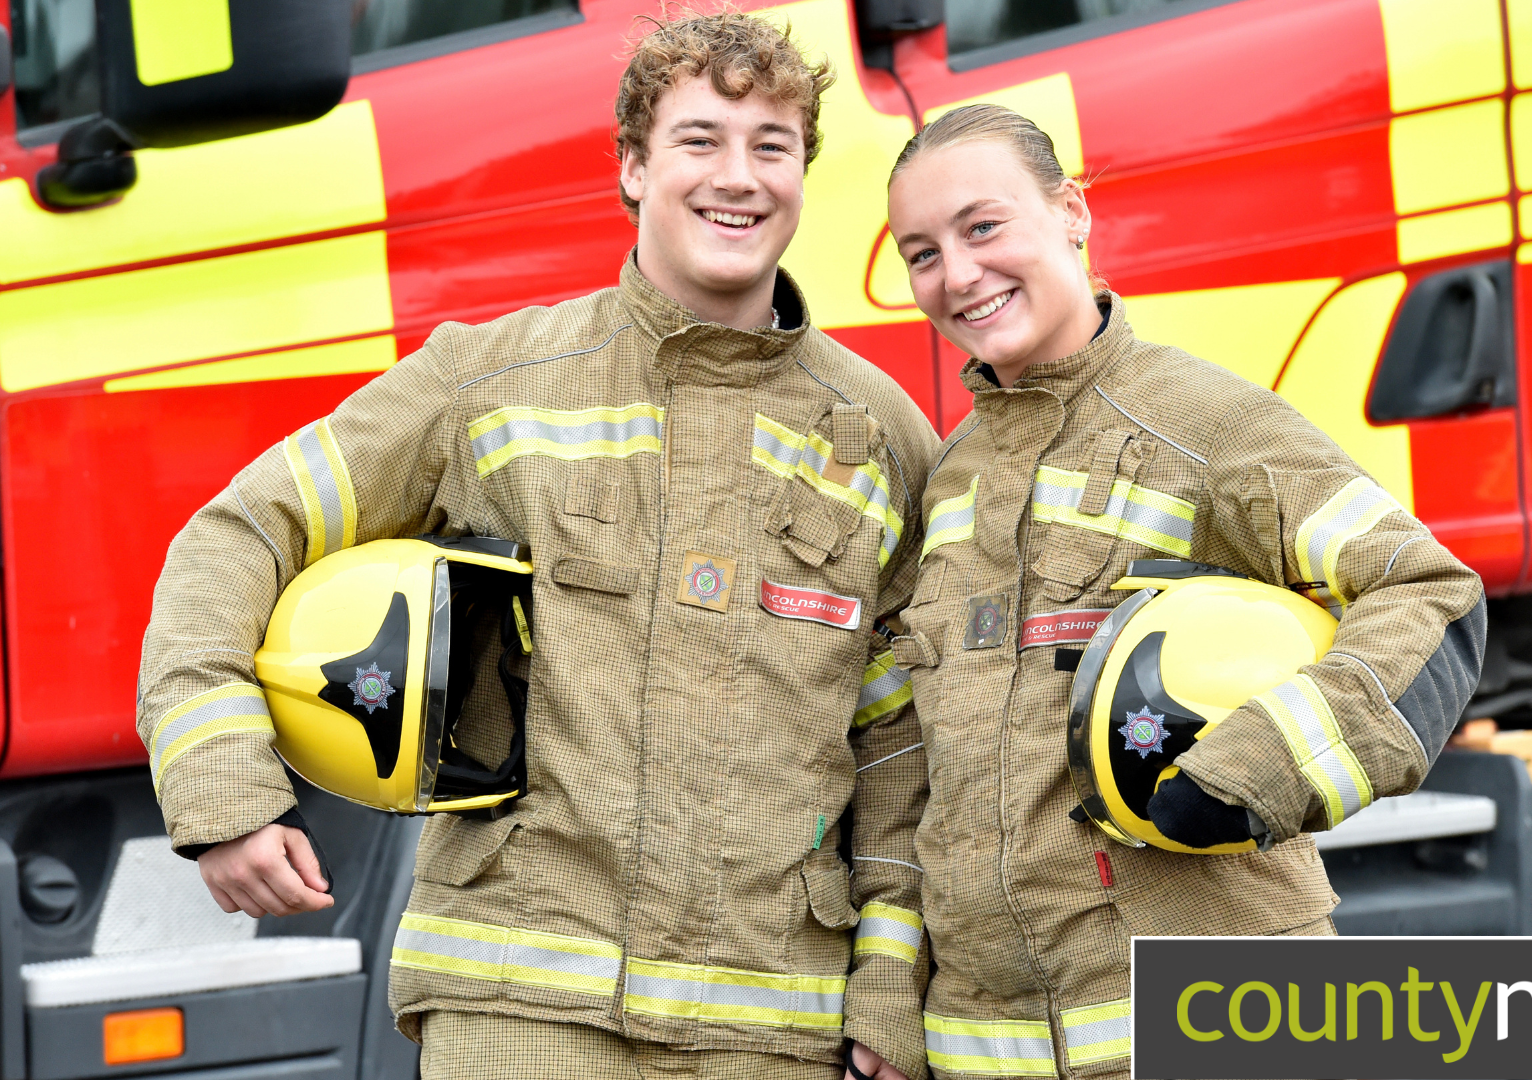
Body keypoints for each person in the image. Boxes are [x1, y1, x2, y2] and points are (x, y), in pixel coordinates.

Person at [137, 13, 939, 1079]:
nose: (737, 177)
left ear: (804, 174)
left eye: (771, 146)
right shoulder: (487, 383)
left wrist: (888, 978)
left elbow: (905, 740)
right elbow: (237, 537)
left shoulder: (883, 439)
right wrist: (224, 789)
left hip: (768, 1030)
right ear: (632, 168)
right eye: (699, 141)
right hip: (520, 1015)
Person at [857, 104, 1486, 1080]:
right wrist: (892, 1006)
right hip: (983, 1044)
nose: (958, 274)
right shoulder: (950, 483)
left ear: (1071, 212)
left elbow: (1429, 591)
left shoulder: (1206, 427)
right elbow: (907, 771)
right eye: (923, 252)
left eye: (984, 226)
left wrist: (1260, 769)